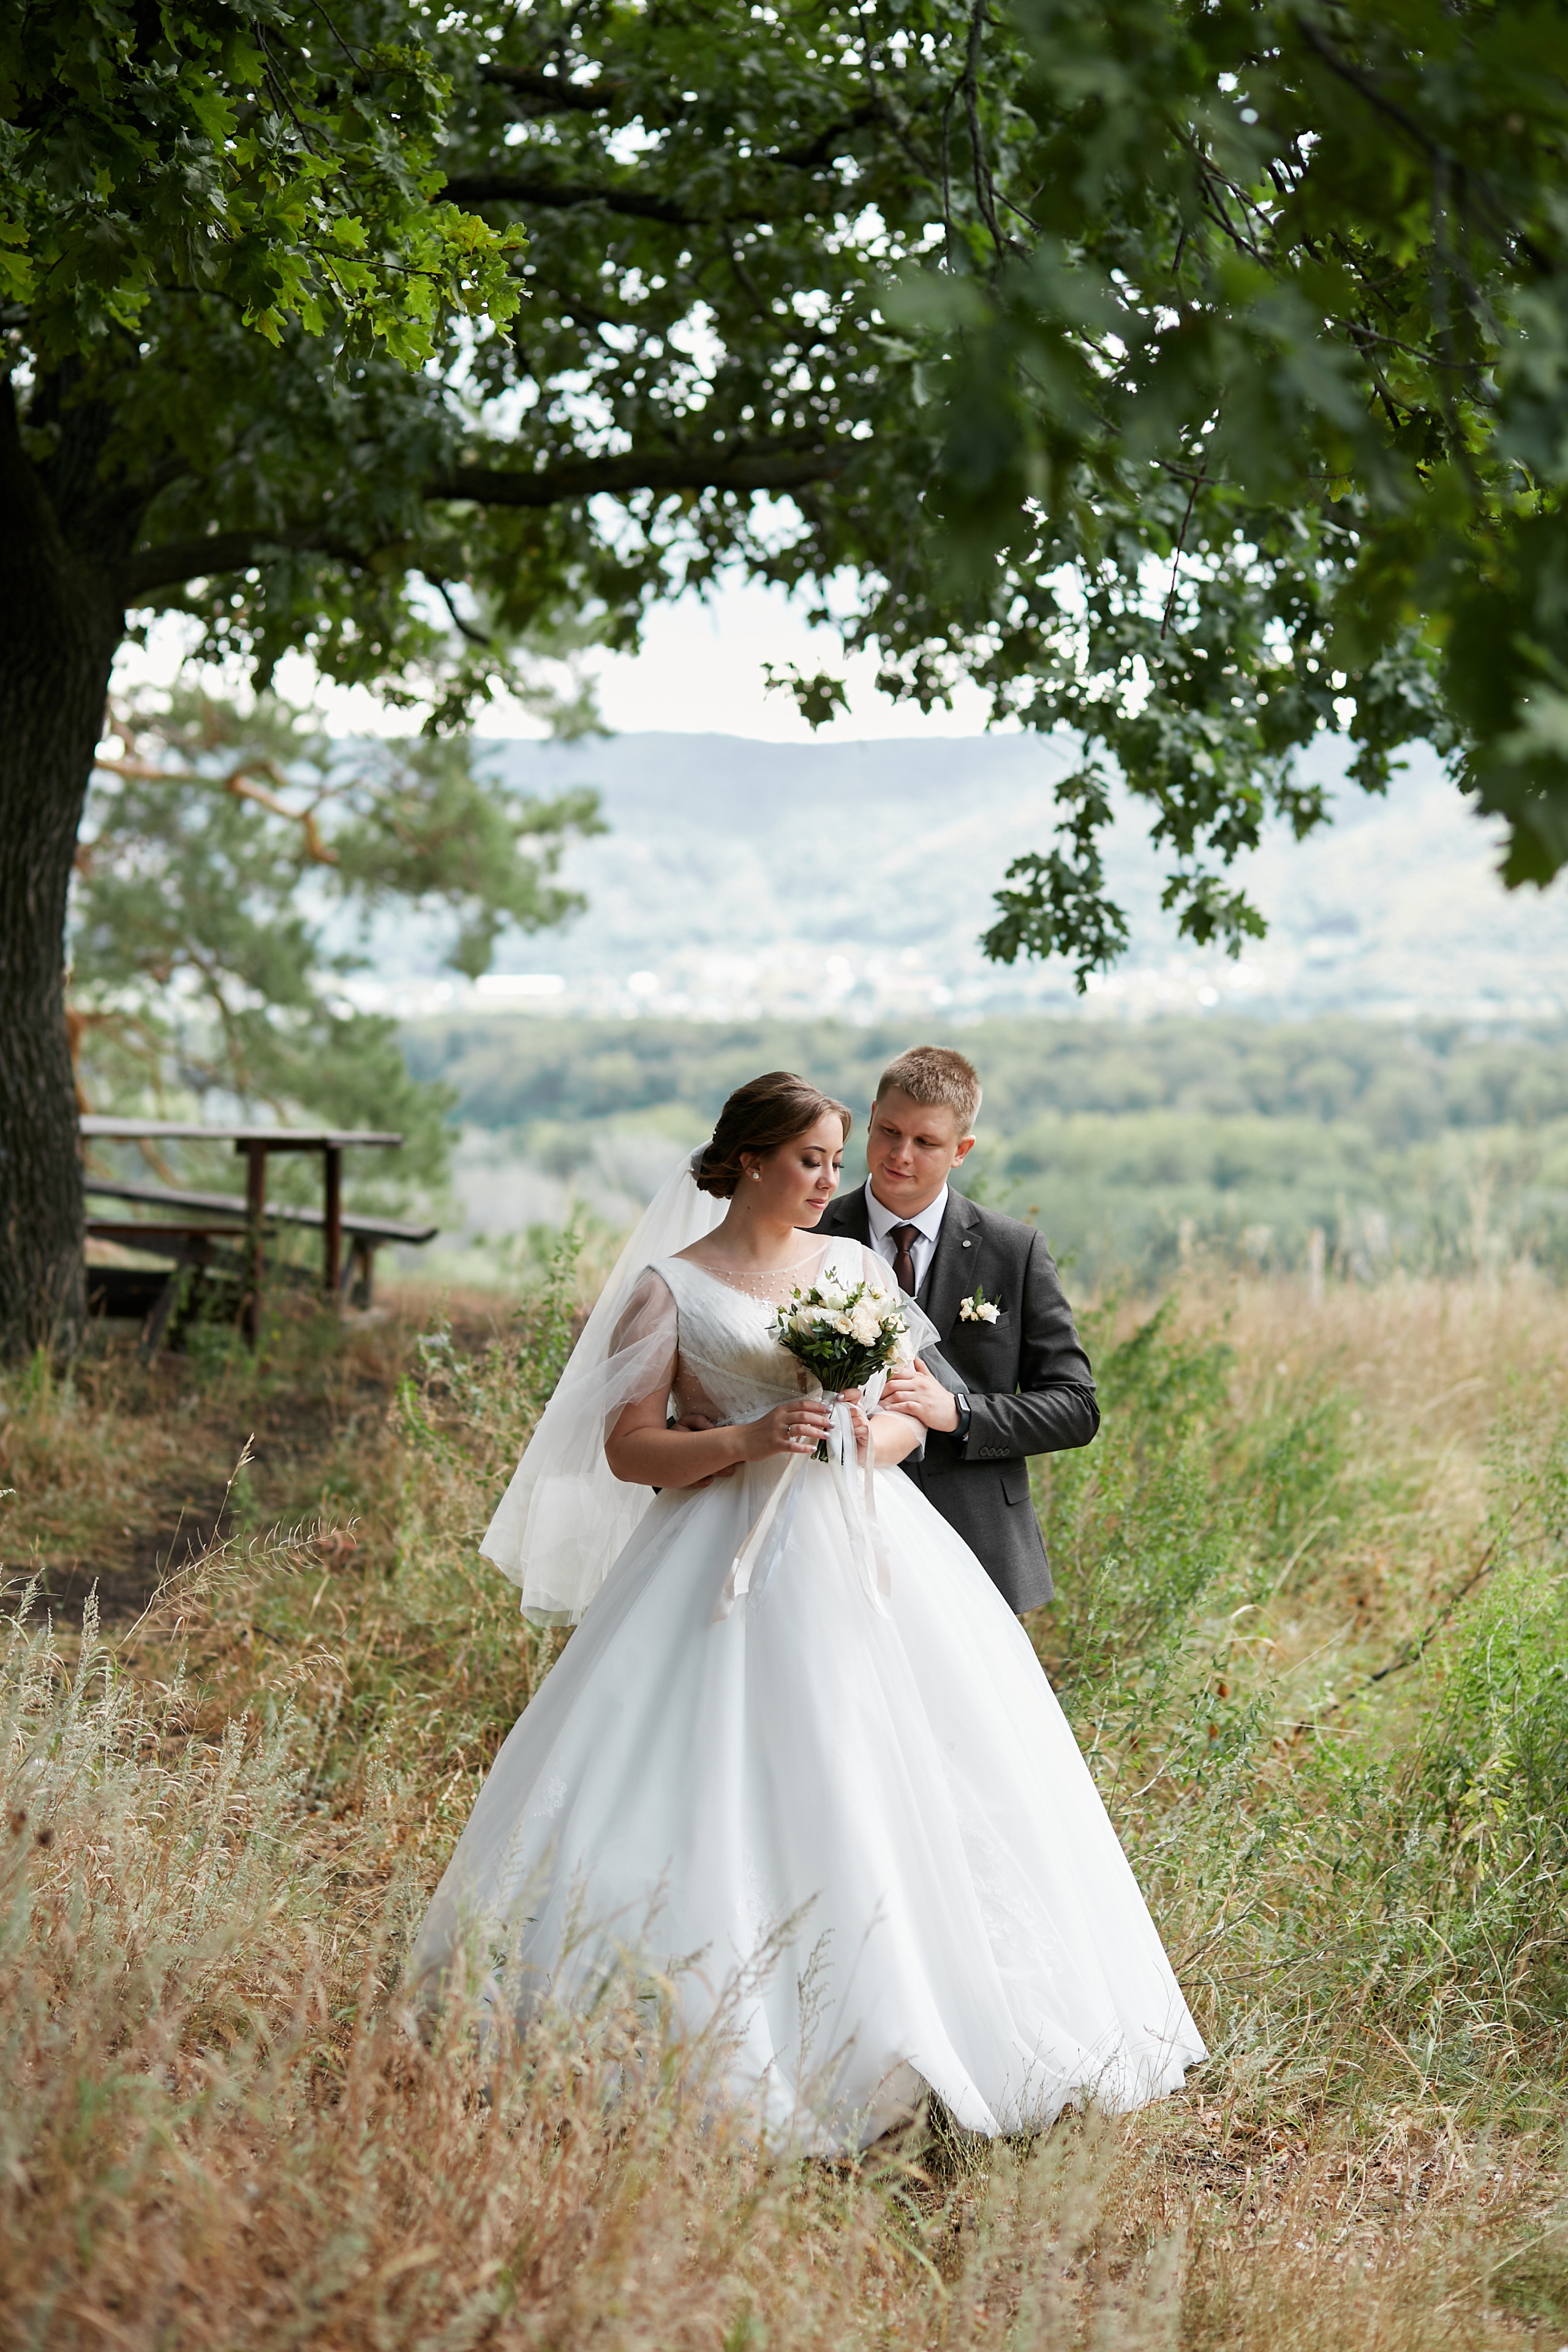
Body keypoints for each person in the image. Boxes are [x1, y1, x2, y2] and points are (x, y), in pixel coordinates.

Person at [409, 1072, 1203, 2154]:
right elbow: (628, 1448)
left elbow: (908, 1419)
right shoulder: (669, 1288)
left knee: (905, 1767)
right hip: (715, 1554)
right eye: (817, 1160)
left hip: (869, 1547)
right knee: (707, 1772)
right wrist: (744, 1441)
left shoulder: (853, 1267)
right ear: (748, 1160)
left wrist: (855, 1436)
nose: (840, 1178)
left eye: (840, 1159)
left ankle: (923, 2028)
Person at [818, 1046, 1096, 1614]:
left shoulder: (1013, 1251)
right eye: (889, 1131)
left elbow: (1075, 1407)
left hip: (976, 1541)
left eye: (925, 1143)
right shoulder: (810, 1232)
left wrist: (958, 1413)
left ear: (962, 1150)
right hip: (830, 1530)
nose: (900, 1155)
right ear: (870, 1118)